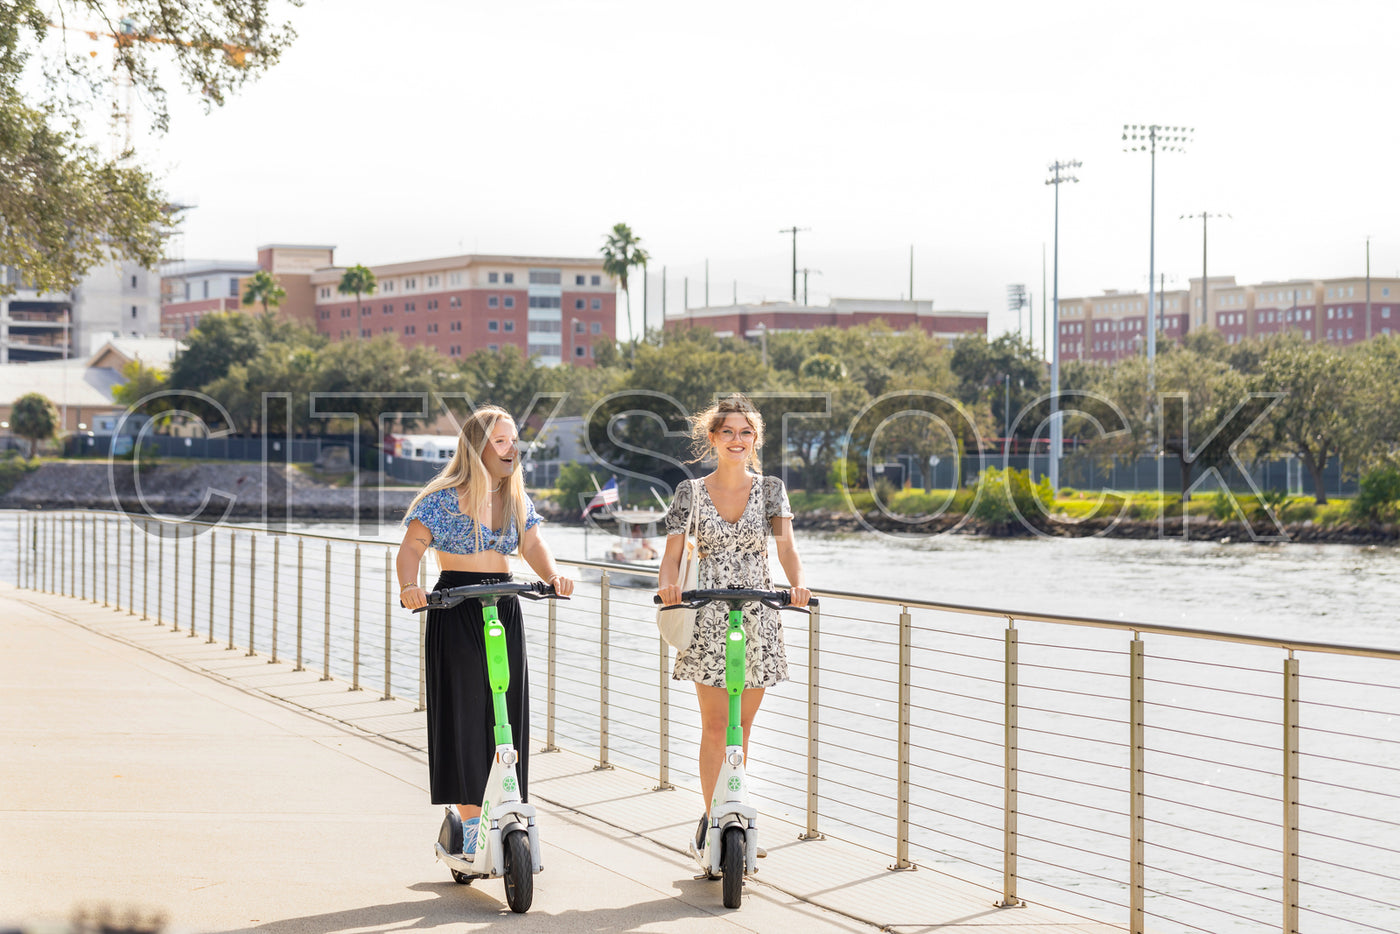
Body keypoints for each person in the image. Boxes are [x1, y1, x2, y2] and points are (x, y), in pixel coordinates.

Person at [396, 404, 574, 857]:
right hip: (455, 604)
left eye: (514, 439)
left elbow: (533, 542)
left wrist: (553, 577)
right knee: (464, 714)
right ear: (478, 448)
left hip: (504, 601)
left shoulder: (516, 498)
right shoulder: (442, 498)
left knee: (507, 713)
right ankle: (472, 823)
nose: (512, 447)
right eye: (501, 440)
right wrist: (410, 587)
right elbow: (412, 547)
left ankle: (507, 805)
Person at [655, 393, 810, 861]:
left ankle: (733, 809)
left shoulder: (771, 489)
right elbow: (673, 556)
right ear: (713, 438)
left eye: (746, 432)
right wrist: (667, 588)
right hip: (706, 613)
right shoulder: (689, 493)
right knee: (714, 726)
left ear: (755, 439)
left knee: (740, 729)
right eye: (729, 432)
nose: (737, 440)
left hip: (758, 611)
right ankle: (717, 820)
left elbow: (785, 548)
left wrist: (799, 585)